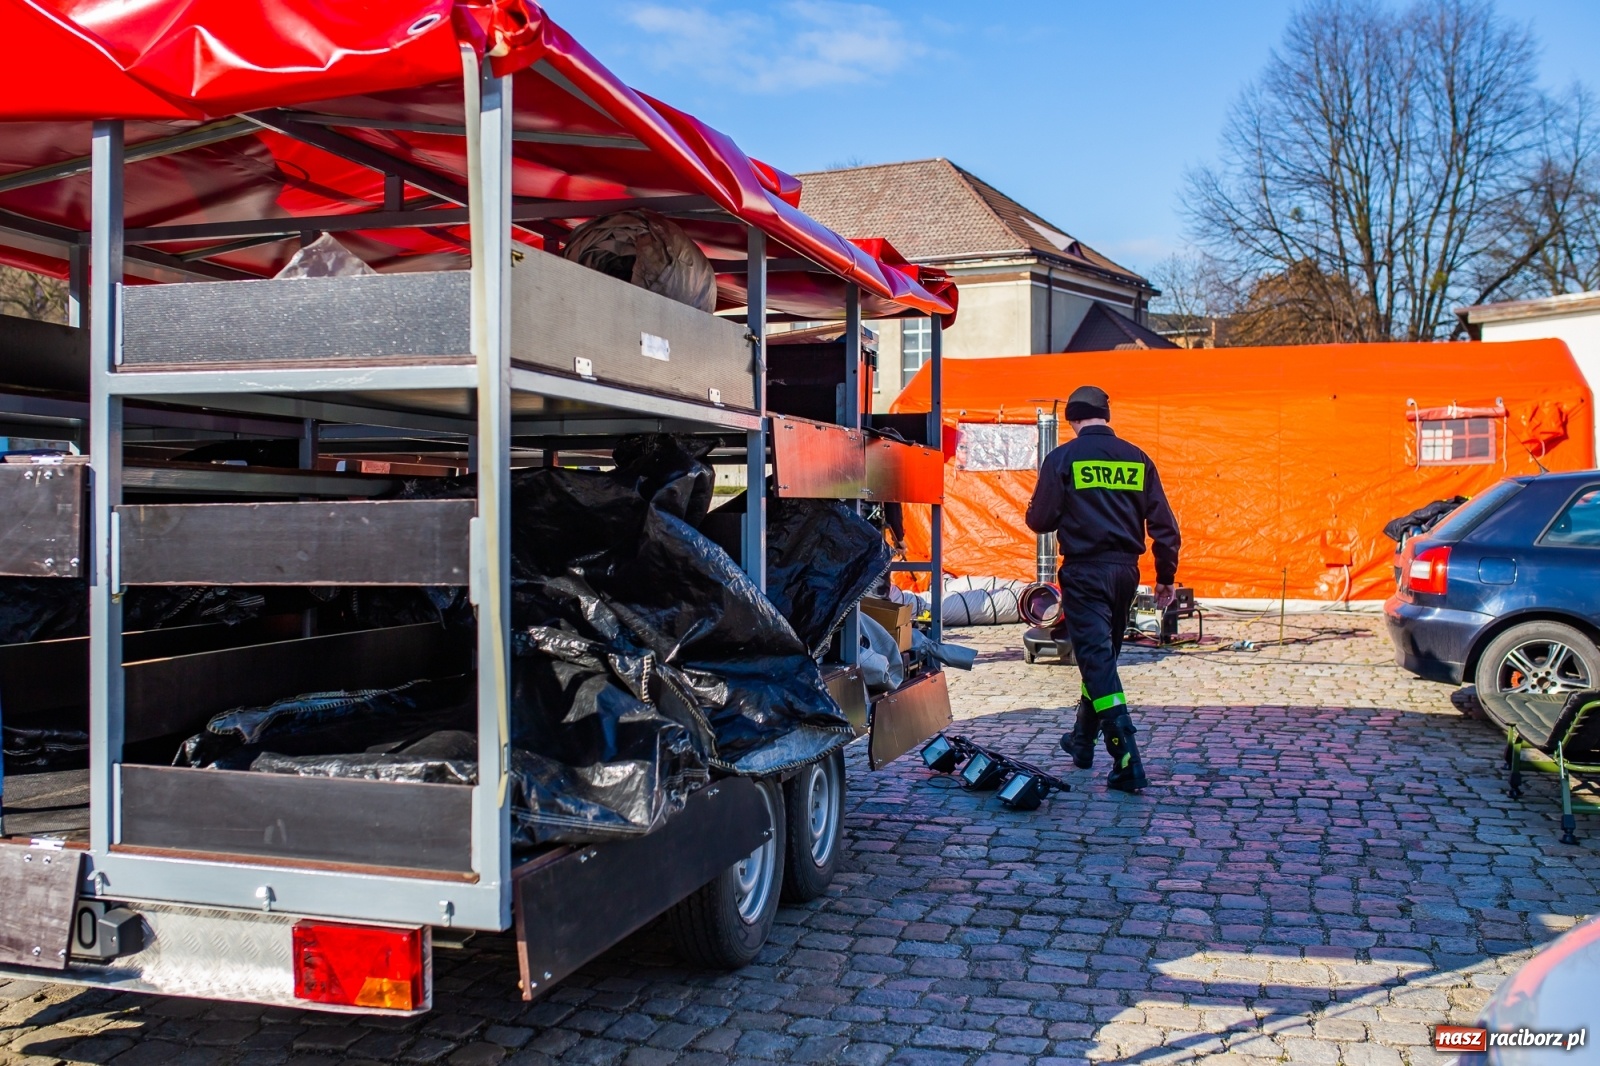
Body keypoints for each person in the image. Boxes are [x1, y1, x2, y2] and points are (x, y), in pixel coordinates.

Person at [1024, 385, 1181, 792]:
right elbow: (1165, 526)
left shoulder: (1062, 458)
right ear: (1105, 416)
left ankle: (1126, 757)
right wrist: (1165, 577)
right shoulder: (1138, 459)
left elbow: (1040, 520)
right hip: (1125, 573)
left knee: (1096, 660)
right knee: (1102, 658)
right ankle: (1081, 741)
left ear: (1073, 419)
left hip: (1085, 572)